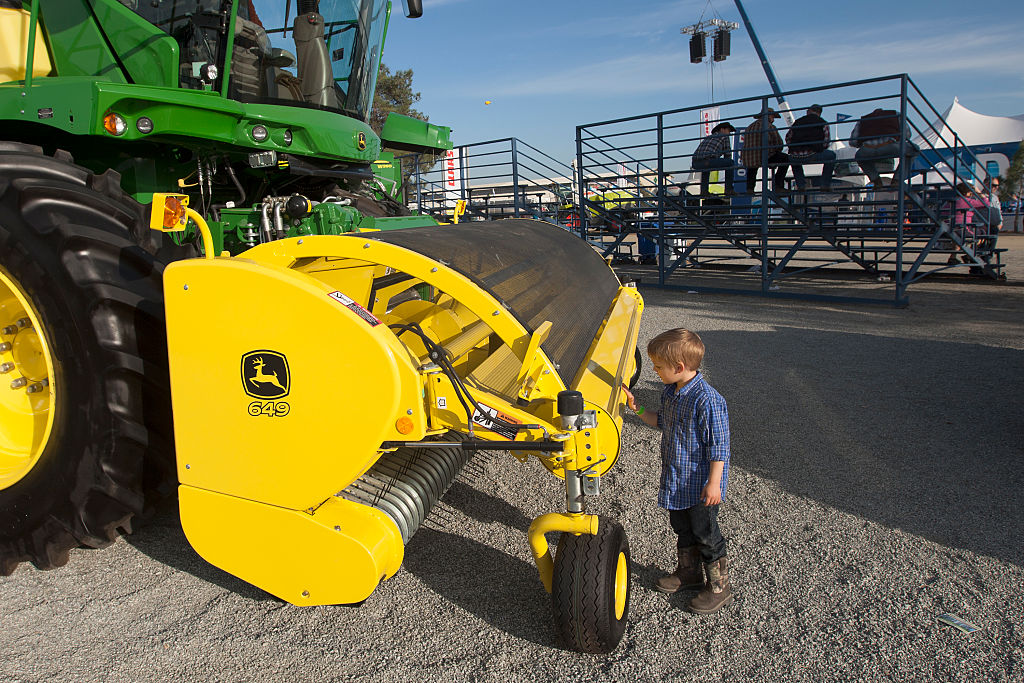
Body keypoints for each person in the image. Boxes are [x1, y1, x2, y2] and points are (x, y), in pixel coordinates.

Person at [621, 329, 733, 615]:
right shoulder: (672, 392)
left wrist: (714, 483)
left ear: (679, 368)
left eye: (658, 366)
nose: (655, 371)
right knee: (682, 528)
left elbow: (719, 446)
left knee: (705, 533)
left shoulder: (708, 401)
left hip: (699, 485)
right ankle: (689, 573)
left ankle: (719, 587)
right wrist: (637, 408)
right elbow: (662, 422)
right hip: (677, 479)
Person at [850, 108, 918, 188]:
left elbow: (853, 141)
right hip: (890, 145)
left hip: (867, 148)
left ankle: (876, 180)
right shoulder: (895, 114)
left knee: (860, 157)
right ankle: (897, 179)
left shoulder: (862, 120)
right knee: (914, 149)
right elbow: (907, 135)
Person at [786, 104, 836, 191]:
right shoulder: (823, 123)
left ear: (808, 111)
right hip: (813, 154)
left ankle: (801, 185)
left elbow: (788, 138)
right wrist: (818, 148)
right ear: (819, 113)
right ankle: (825, 184)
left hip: (795, 155)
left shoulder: (797, 122)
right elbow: (826, 142)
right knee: (831, 155)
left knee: (794, 160)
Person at [740, 108, 788, 194]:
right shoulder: (769, 126)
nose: (773, 120)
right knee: (786, 158)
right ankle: (778, 185)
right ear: (769, 116)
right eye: (773, 117)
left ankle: (750, 188)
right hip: (765, 156)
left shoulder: (749, 127)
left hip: (749, 158)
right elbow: (779, 143)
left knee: (752, 167)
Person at [691, 122, 736, 196]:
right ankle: (729, 189)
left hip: (695, 163)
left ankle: (704, 191)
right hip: (708, 160)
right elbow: (727, 154)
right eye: (728, 131)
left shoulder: (709, 137)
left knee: (706, 169)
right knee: (730, 163)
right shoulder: (724, 136)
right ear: (722, 129)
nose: (729, 133)